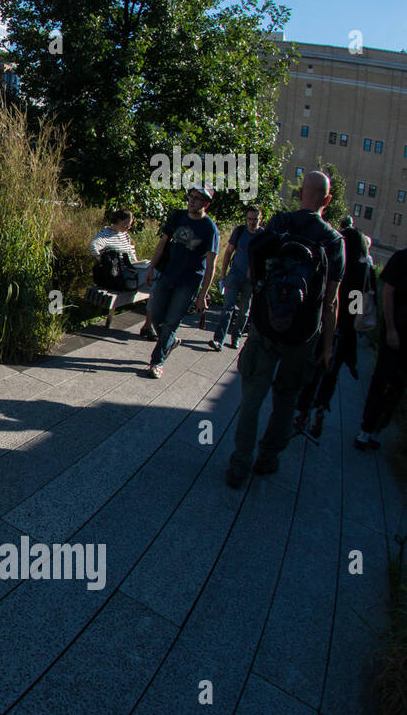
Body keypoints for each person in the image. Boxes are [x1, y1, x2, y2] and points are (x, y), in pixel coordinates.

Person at [226, 171, 344, 488]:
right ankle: (267, 460)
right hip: (302, 336)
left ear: (300, 193)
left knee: (251, 397)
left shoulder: (278, 225)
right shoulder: (334, 241)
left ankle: (239, 465)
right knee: (286, 400)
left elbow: (254, 268)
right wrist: (329, 346)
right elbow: (331, 302)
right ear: (327, 201)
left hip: (265, 327)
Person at [295, 215, 372, 439]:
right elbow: (360, 297)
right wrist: (352, 323)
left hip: (327, 322)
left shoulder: (337, 259)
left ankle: (302, 412)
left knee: (314, 367)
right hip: (345, 330)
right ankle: (321, 407)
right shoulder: (363, 266)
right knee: (331, 373)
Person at [143, 185, 219, 378]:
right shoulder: (178, 216)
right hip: (167, 275)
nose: (192, 200)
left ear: (206, 204)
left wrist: (202, 295)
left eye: (198, 198)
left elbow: (211, 265)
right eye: (192, 196)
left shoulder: (210, 229)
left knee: (170, 322)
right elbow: (163, 243)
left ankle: (157, 362)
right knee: (157, 317)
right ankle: (171, 341)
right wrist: (152, 266)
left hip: (188, 282)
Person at [354, 244, 407, 450]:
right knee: (382, 380)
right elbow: (385, 292)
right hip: (394, 331)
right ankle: (367, 428)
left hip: (392, 328)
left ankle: (377, 428)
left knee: (397, 385)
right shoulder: (400, 259)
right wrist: (391, 328)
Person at [208, 205, 262, 351]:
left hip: (251, 280)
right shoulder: (240, 231)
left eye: (255, 219)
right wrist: (224, 274)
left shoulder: (263, 236)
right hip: (234, 275)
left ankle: (236, 338)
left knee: (244, 310)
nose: (252, 222)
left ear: (260, 219)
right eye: (249, 219)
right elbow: (228, 252)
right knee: (227, 308)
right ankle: (218, 340)